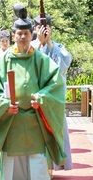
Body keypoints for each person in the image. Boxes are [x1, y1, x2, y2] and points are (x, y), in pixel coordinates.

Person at [0, 3, 66, 180]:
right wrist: (5, 105)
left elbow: (56, 84)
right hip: (11, 122)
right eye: (18, 33)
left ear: (31, 35)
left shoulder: (41, 59)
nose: (22, 37)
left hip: (35, 121)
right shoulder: (2, 61)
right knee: (11, 168)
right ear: (13, 36)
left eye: (26, 34)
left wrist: (42, 98)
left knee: (36, 168)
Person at [31, 15, 73, 171]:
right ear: (35, 29)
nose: (43, 30)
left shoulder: (58, 47)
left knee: (55, 131)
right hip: (35, 99)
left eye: (46, 27)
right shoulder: (30, 47)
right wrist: (40, 44)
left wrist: (48, 43)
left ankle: (53, 166)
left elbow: (62, 68)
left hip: (53, 100)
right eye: (40, 27)